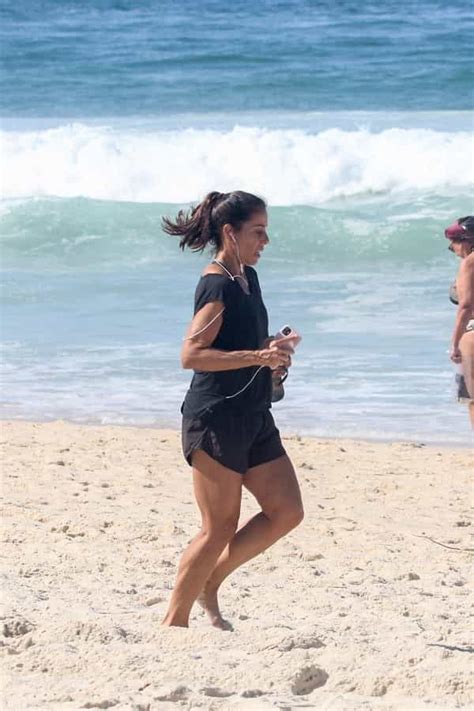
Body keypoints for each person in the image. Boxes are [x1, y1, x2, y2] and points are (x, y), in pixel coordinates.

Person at [161, 190, 304, 629]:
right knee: (218, 528)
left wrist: (272, 353)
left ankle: (211, 583)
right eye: (258, 232)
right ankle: (174, 622)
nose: (265, 241)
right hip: (216, 418)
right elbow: (192, 354)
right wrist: (257, 357)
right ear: (230, 232)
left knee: (286, 511)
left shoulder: (248, 278)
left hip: (254, 414)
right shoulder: (218, 283)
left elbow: (241, 346)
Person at [445, 216, 474, 427]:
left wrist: (454, 344)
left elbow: (466, 306)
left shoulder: (469, 263)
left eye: (455, 240)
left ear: (468, 240)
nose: (451, 247)